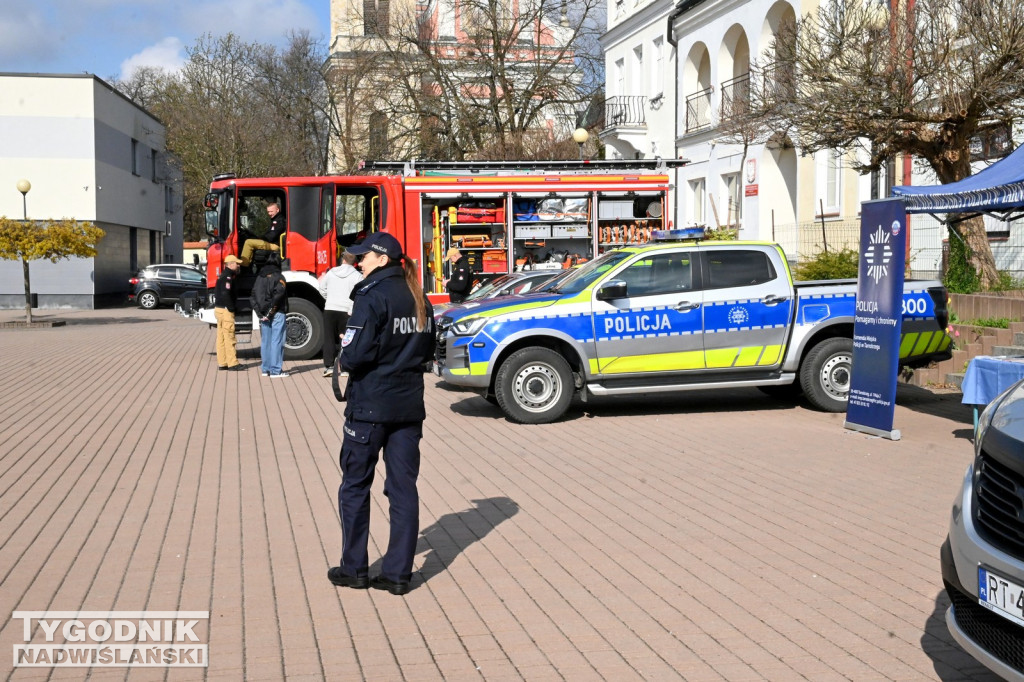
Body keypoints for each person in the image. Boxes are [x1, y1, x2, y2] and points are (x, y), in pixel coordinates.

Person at [328, 232, 435, 596]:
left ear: (383, 259)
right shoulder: (419, 297)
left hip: (370, 406)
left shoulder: (371, 296)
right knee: (403, 489)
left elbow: (354, 355)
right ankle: (397, 574)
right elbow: (427, 349)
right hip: (408, 407)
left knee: (355, 486)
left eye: (365, 257)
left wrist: (344, 356)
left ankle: (354, 568)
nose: (359, 262)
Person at [317, 250, 363, 378]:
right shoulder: (357, 276)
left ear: (343, 259)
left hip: (330, 309)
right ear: (354, 262)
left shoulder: (331, 272)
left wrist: (329, 298)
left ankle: (329, 367)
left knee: (329, 338)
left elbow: (322, 288)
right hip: (346, 310)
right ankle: (345, 368)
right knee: (346, 339)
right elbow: (359, 294)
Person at [251, 258, 289, 377]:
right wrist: (270, 313)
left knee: (265, 341)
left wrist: (260, 314)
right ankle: (276, 370)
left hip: (263, 314)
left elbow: (252, 296)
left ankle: (265, 369)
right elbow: (278, 295)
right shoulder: (280, 277)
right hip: (276, 312)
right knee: (277, 341)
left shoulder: (259, 277)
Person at [215, 254, 244, 370]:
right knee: (229, 337)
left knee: (221, 337)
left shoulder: (223, 275)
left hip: (219, 310)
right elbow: (225, 294)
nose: (238, 265)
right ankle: (233, 363)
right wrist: (231, 308)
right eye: (236, 263)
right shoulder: (228, 277)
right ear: (230, 264)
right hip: (225, 310)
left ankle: (222, 363)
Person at [240, 202, 285, 267]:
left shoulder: (279, 221)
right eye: (268, 212)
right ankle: (248, 264)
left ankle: (243, 264)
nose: (269, 214)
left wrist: (261, 238)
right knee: (252, 241)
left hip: (275, 245)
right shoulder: (275, 219)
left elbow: (271, 236)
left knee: (248, 242)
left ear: (277, 210)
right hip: (272, 243)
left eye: (271, 211)